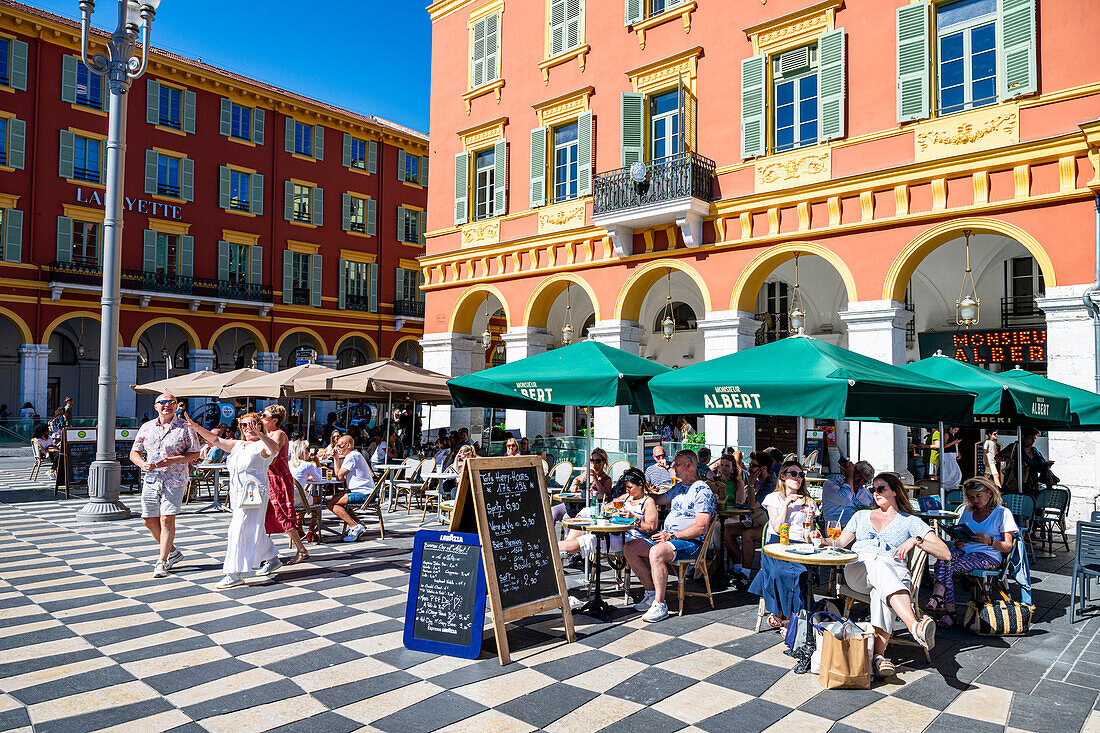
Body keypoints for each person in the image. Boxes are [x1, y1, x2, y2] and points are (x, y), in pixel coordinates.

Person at [820, 472, 949, 677]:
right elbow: (840, 543)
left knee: (880, 591)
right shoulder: (861, 516)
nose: (875, 493)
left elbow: (945, 552)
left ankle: (879, 657)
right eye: (873, 489)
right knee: (878, 563)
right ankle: (914, 626)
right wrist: (822, 539)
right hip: (860, 569)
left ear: (896, 492)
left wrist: (916, 540)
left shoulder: (910, 521)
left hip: (894, 573)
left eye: (881, 489)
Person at [185, 411, 283, 590]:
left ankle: (234, 573)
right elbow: (215, 440)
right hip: (238, 493)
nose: (249, 428)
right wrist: (196, 427)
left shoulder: (262, 444)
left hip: (254, 492)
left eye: (253, 424)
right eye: (245, 425)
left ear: (259, 425)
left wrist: (260, 434)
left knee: (237, 529)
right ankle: (272, 557)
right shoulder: (238, 445)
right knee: (252, 527)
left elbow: (274, 449)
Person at [624, 449, 715, 623]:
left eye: (677, 464)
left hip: (690, 543)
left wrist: (672, 535)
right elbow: (657, 500)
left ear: (689, 466)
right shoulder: (679, 487)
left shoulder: (702, 491)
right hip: (668, 539)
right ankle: (651, 593)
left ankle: (660, 604)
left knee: (656, 552)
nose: (673, 467)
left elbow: (701, 527)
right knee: (630, 548)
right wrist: (640, 490)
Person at [926, 476, 1017, 629]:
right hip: (964, 551)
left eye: (978, 496)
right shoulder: (967, 510)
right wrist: (958, 541)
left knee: (945, 565)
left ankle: (943, 604)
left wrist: (990, 541)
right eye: (971, 496)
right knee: (943, 558)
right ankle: (946, 608)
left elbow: (1008, 547)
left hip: (988, 556)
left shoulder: (1002, 513)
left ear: (989, 493)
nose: (975, 500)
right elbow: (959, 533)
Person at [559, 467, 658, 607]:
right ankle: (561, 549)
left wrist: (635, 519)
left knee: (591, 540)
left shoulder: (648, 502)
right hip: (616, 534)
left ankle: (555, 546)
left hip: (632, 539)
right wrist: (611, 510)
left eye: (630, 487)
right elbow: (609, 506)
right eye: (626, 487)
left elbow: (651, 528)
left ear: (640, 485)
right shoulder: (627, 497)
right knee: (588, 514)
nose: (627, 490)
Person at [130, 394, 200, 578]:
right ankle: (173, 551)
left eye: (171, 403)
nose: (167, 405)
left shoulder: (185, 427)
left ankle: (162, 561)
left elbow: (195, 453)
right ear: (156, 406)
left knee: (166, 519)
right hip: (151, 479)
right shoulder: (147, 427)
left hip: (175, 479)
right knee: (148, 520)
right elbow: (134, 452)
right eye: (163, 402)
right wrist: (141, 464)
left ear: (176, 406)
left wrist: (173, 460)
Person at [748, 460, 817, 629]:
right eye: (793, 474)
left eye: (801, 475)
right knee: (778, 571)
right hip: (776, 544)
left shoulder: (809, 501)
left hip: (800, 546)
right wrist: (786, 504)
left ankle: (789, 616)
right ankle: (782, 614)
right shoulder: (773, 498)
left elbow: (809, 535)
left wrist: (811, 521)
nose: (798, 478)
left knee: (801, 573)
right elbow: (778, 528)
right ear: (783, 477)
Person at [259, 405, 309, 565]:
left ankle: (301, 549)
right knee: (263, 515)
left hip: (278, 479)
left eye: (264, 415)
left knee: (282, 514)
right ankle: (263, 552)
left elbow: (272, 458)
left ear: (274, 420)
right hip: (267, 479)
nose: (261, 417)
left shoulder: (279, 434)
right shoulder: (267, 434)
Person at [327, 434, 378, 541]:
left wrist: (336, 459)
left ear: (348, 445)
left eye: (340, 446)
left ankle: (355, 526)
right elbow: (339, 477)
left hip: (364, 494)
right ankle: (358, 523)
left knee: (331, 503)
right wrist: (336, 458)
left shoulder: (352, 456)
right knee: (335, 498)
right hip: (366, 492)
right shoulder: (354, 455)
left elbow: (339, 477)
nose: (338, 448)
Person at [552, 448, 613, 523]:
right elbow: (577, 479)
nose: (594, 464)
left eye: (597, 461)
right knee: (552, 512)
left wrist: (595, 479)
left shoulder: (606, 479)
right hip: (574, 504)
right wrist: (574, 484)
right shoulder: (586, 473)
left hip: (589, 507)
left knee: (567, 517)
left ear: (603, 462)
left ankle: (569, 535)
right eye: (592, 460)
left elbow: (605, 495)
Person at [821, 459, 874, 526]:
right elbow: (845, 499)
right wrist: (849, 477)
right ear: (852, 472)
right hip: (838, 530)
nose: (860, 482)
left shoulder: (866, 493)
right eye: (859, 477)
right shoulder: (830, 484)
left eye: (864, 481)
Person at [940, 426, 963, 491]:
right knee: (951, 471)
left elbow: (954, 445)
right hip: (947, 454)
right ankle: (948, 486)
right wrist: (954, 442)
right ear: (950, 428)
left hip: (952, 454)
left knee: (955, 472)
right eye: (955, 430)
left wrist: (957, 452)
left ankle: (952, 486)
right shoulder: (946, 434)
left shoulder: (953, 435)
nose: (956, 431)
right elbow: (943, 446)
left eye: (957, 430)